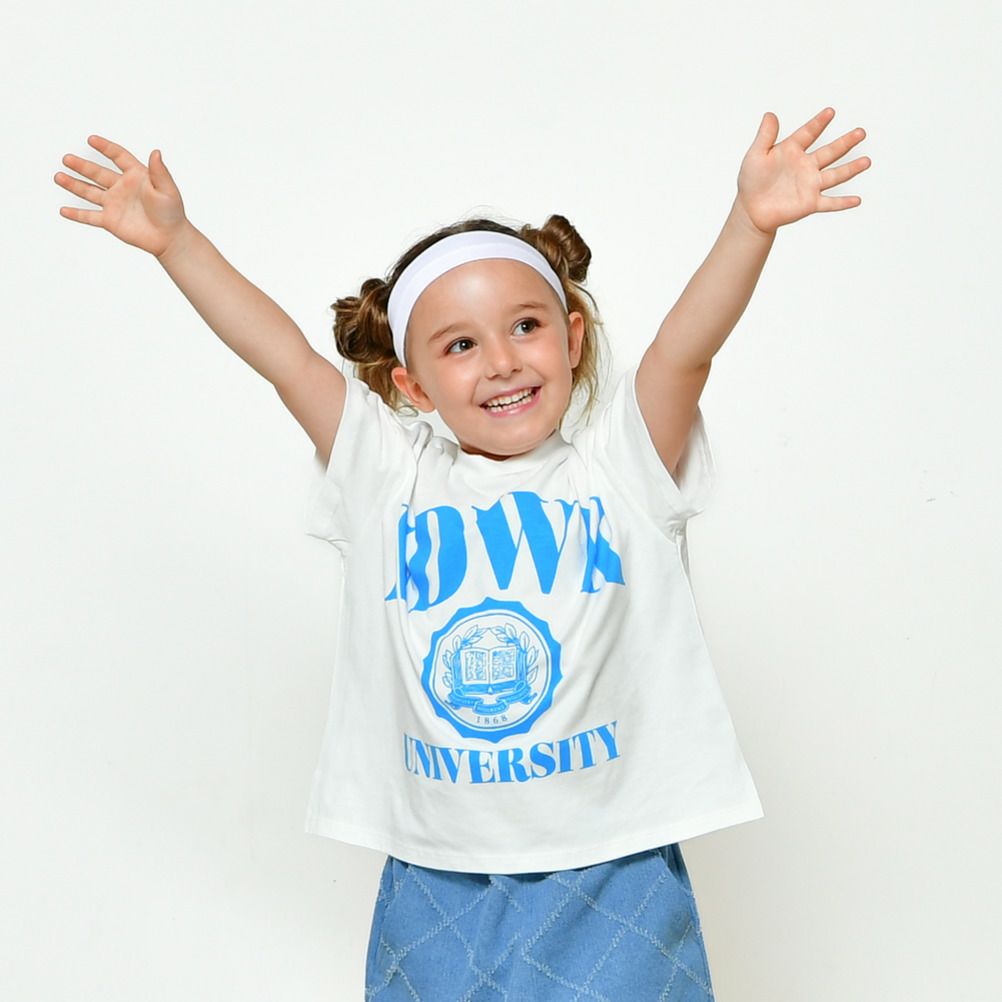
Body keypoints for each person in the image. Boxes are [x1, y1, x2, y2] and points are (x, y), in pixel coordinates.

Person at [54, 106, 870, 1000]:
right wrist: (178, 244)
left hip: (613, 863)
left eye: (526, 327)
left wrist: (749, 225)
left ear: (572, 338)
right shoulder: (387, 477)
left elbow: (686, 353)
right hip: (437, 871)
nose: (502, 362)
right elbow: (287, 360)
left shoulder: (620, 469)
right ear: (412, 385)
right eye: (460, 345)